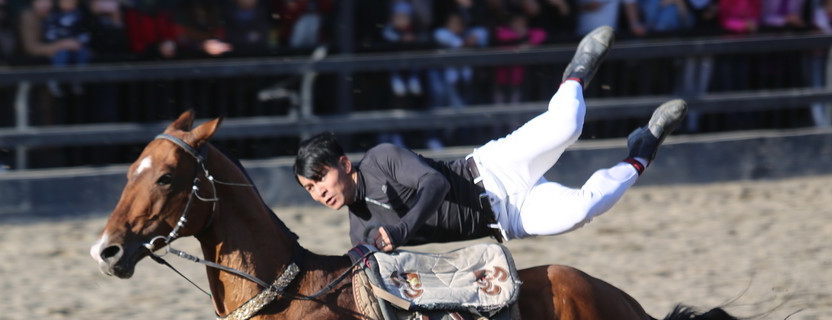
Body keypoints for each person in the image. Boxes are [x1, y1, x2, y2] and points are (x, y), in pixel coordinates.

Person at [293, 26, 688, 251]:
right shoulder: (359, 231)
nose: (318, 193)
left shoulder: (381, 158)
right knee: (582, 209)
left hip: (493, 169)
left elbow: (436, 183)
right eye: (309, 189)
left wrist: (401, 230)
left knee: (568, 123)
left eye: (319, 180)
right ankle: (642, 151)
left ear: (344, 164)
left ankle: (577, 72)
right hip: (507, 219)